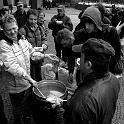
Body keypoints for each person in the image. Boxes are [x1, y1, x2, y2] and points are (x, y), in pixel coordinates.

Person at [0, 14, 57, 124]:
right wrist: (30, 79)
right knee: (17, 105)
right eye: (9, 30)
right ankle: (17, 121)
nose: (12, 32)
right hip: (15, 84)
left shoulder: (21, 39)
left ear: (17, 26)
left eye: (14, 28)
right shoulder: (3, 45)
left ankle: (26, 116)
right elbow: (13, 67)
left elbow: (31, 52)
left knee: (26, 100)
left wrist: (45, 55)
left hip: (26, 80)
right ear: (3, 29)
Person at [51, 38, 120, 124]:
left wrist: (57, 108)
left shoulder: (82, 101)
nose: (79, 59)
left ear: (88, 64)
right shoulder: (113, 79)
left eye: (81, 56)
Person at [74, 6, 121, 75]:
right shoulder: (83, 33)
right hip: (90, 72)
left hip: (107, 71)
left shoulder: (111, 32)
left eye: (90, 23)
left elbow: (116, 54)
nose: (87, 26)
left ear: (96, 21)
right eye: (85, 23)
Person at [19, 9, 48, 82]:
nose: (33, 21)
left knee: (39, 75)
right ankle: (31, 91)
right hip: (29, 60)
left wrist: (45, 45)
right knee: (31, 77)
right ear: (27, 18)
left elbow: (44, 39)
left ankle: (39, 89)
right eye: (31, 19)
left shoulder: (40, 28)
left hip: (39, 57)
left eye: (35, 19)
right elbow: (21, 47)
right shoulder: (23, 30)